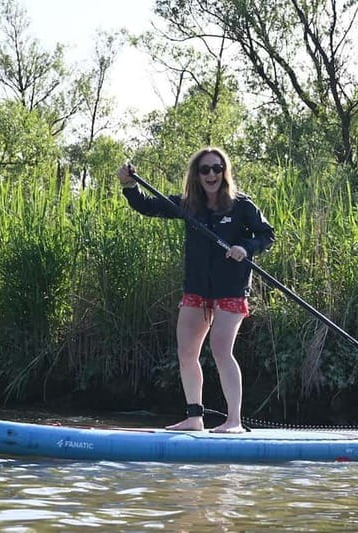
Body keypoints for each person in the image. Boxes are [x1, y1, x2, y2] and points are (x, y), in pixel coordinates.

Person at [116, 147, 275, 433]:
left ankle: (234, 422)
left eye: (216, 168)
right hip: (198, 289)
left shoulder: (242, 206)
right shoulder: (189, 205)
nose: (211, 174)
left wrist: (245, 247)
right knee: (186, 351)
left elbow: (267, 235)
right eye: (205, 169)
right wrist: (129, 185)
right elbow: (148, 206)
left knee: (221, 350)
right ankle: (194, 417)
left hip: (231, 289)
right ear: (197, 175)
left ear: (224, 172)